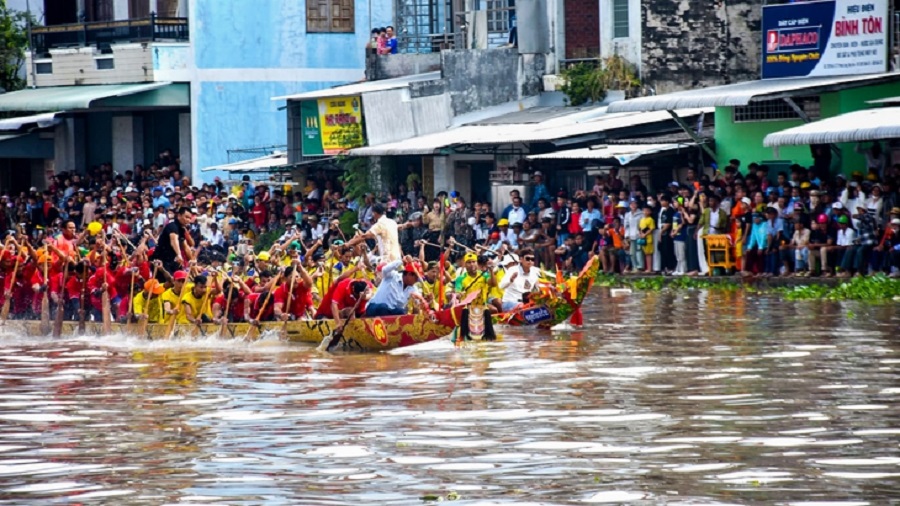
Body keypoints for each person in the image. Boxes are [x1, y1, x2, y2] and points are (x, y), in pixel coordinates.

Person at [151, 207, 192, 277]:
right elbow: (174, 240)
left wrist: (192, 261)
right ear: (179, 216)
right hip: (161, 261)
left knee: (179, 279)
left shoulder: (182, 230)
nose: (188, 220)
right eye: (186, 217)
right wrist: (179, 254)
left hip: (173, 260)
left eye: (190, 218)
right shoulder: (172, 226)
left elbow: (186, 247)